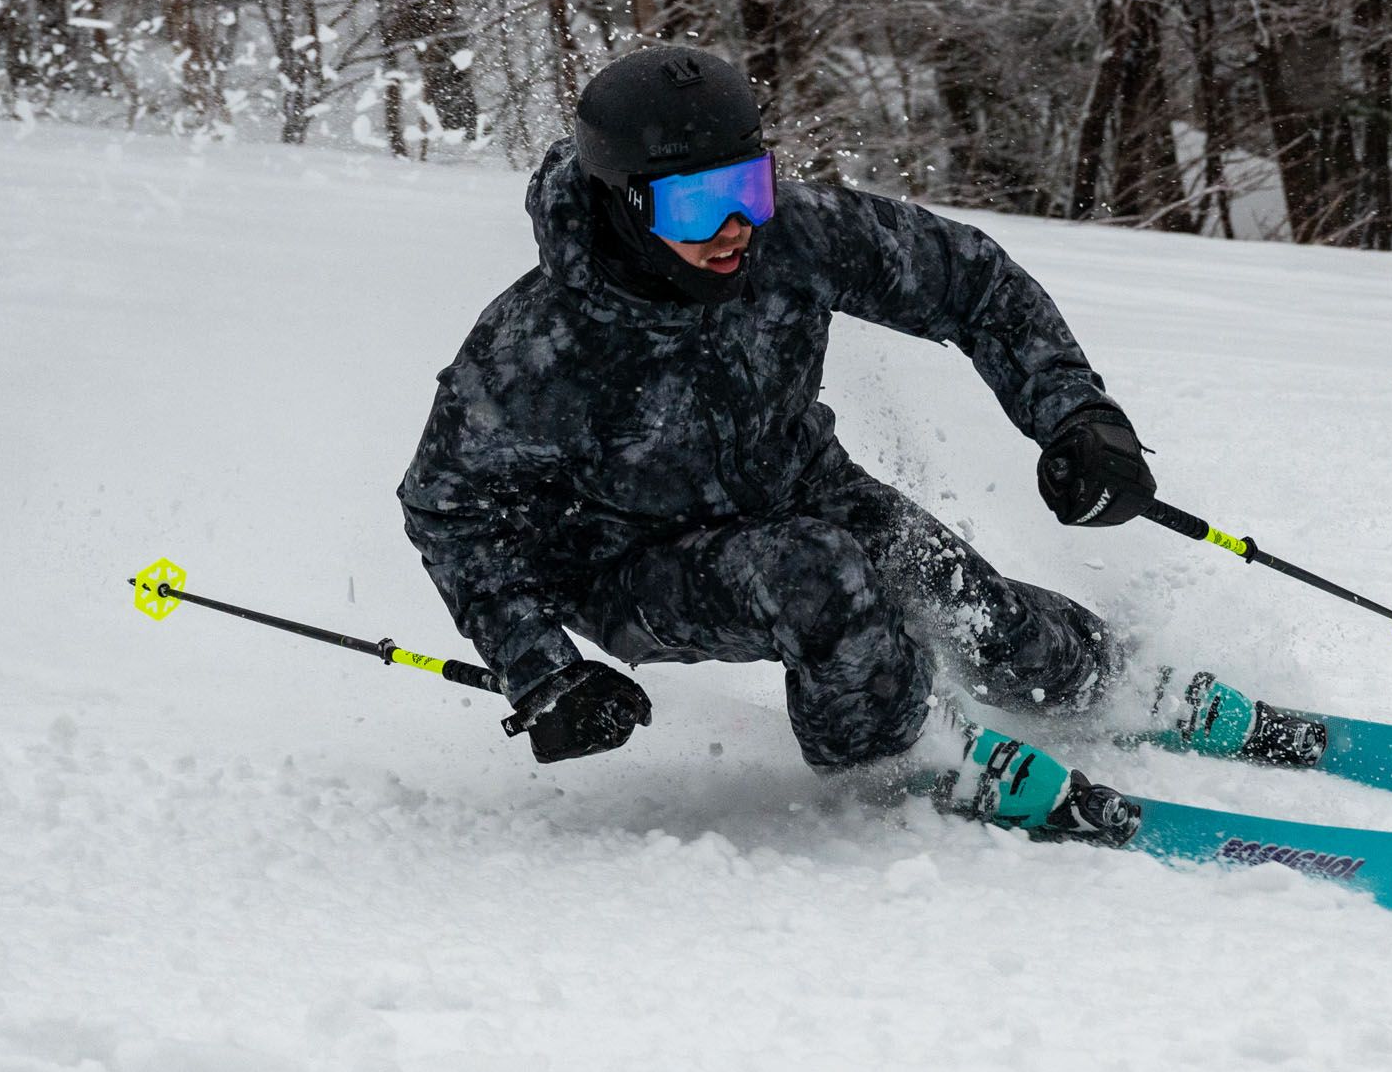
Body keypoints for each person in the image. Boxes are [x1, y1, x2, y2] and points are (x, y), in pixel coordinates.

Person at [399, 44, 1155, 789]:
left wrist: (1077, 415)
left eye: (747, 188)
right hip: (628, 561)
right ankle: (902, 763)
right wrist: (541, 671)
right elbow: (446, 508)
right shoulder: (537, 346)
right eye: (696, 204)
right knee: (821, 580)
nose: (734, 227)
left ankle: (1113, 679)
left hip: (798, 484)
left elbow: (971, 283)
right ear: (623, 201)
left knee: (963, 598)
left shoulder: (790, 237)